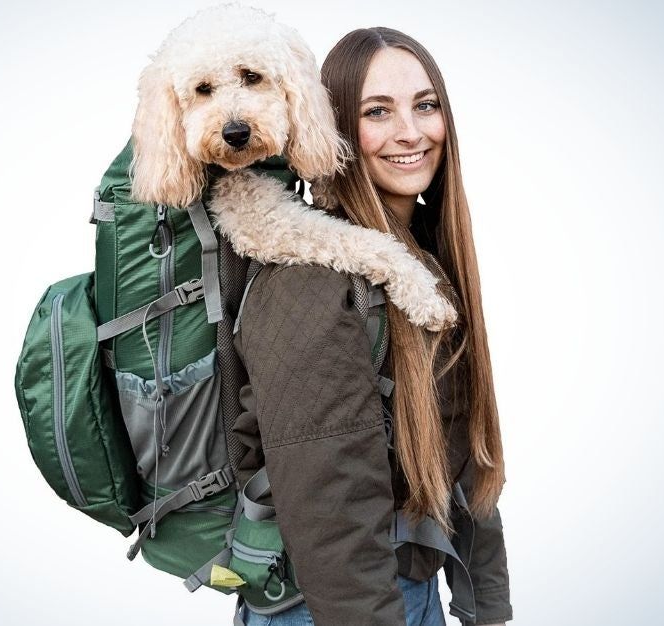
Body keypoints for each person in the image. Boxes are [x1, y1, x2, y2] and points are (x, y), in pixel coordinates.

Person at [230, 27, 512, 626]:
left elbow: (462, 456)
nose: (410, 132)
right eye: (377, 112)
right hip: (329, 608)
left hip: (408, 592)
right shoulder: (310, 281)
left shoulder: (422, 261)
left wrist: (487, 609)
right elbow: (333, 517)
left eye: (426, 105)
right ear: (332, 127)